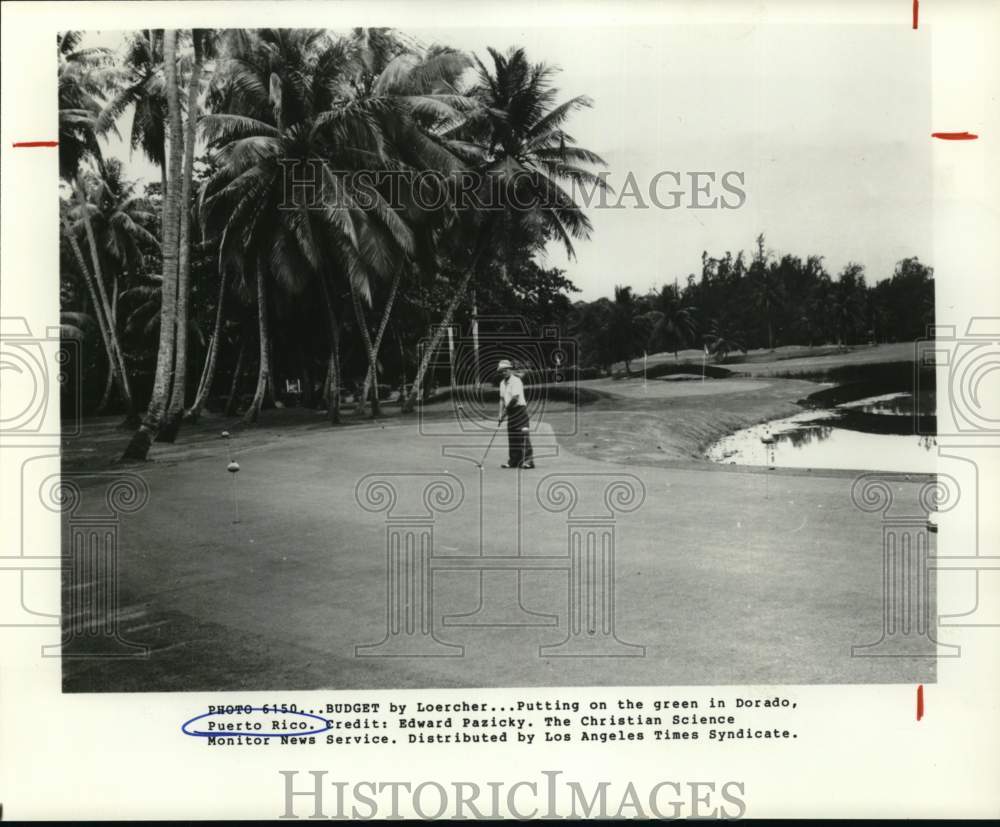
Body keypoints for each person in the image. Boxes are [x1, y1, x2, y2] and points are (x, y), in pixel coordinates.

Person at [497, 359, 535, 469]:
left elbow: (515, 398)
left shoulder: (516, 381)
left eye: (506, 370)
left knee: (523, 435)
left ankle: (528, 461)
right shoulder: (502, 384)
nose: (504, 372)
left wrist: (505, 411)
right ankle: (514, 461)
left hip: (519, 410)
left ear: (510, 370)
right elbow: (501, 399)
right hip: (511, 412)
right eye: (501, 371)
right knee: (512, 436)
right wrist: (500, 414)